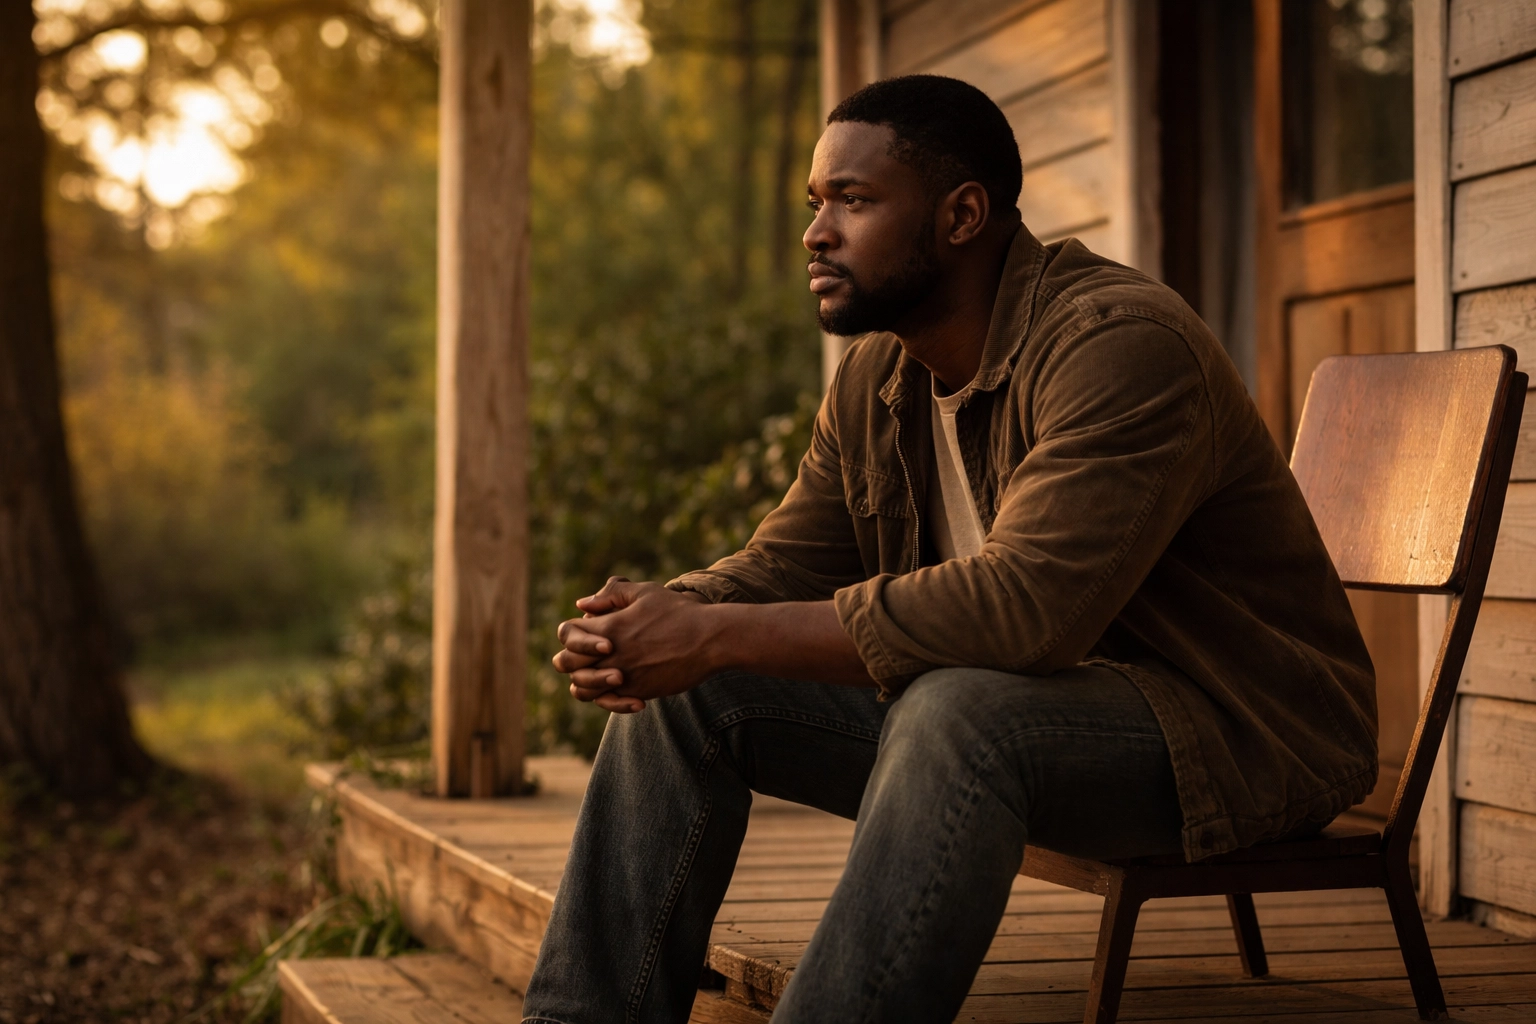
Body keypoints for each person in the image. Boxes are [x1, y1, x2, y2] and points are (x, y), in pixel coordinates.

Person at [520, 75, 1375, 1024]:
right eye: (816, 204)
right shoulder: (880, 374)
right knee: (697, 688)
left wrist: (714, 633)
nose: (816, 233)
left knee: (957, 706)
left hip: (1233, 733)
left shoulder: (1120, 345)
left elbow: (1026, 612)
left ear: (963, 214)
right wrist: (657, 619)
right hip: (1032, 719)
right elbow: (786, 563)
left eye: (855, 200)